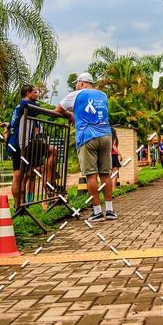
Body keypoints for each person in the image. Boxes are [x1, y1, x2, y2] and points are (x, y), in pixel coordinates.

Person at [55, 72, 114, 221]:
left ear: (81, 83)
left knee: (91, 175)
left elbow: (58, 109)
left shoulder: (76, 95)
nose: (76, 85)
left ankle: (97, 212)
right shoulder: (103, 95)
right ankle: (110, 210)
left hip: (87, 137)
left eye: (77, 83)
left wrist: (70, 115)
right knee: (105, 174)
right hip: (106, 135)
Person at [6, 84, 39, 210]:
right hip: (18, 144)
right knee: (18, 176)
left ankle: (21, 203)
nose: (37, 95)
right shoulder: (25, 105)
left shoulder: (19, 107)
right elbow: (39, 108)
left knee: (22, 175)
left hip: (16, 143)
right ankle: (17, 204)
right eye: (35, 92)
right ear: (28, 93)